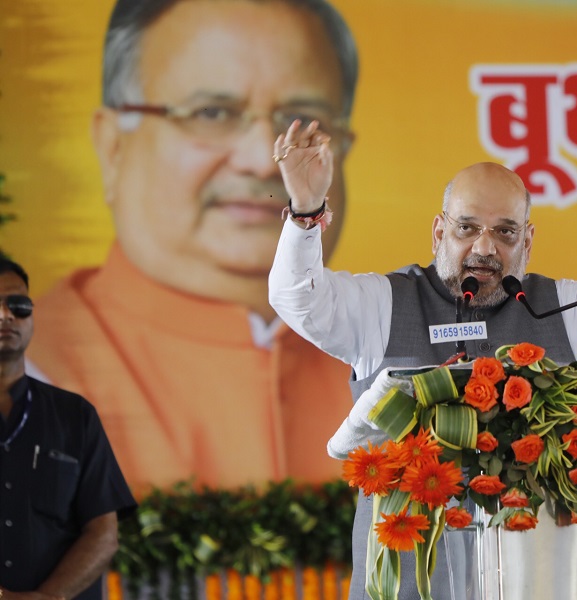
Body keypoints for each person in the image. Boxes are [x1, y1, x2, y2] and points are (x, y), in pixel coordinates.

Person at [268, 120, 577, 597]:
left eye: (505, 231)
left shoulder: (566, 309)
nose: (485, 247)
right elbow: (299, 299)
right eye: (467, 228)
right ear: (438, 232)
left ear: (528, 240)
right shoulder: (384, 304)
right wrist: (306, 213)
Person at [27, 0, 359, 491]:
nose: (263, 161)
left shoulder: (389, 367)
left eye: (303, 120)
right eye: (212, 112)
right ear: (112, 148)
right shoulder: (33, 374)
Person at [0, 258, 136, 600]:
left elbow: (103, 533)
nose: (6, 316)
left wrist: (48, 598)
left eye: (18, 304)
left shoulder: (74, 415)